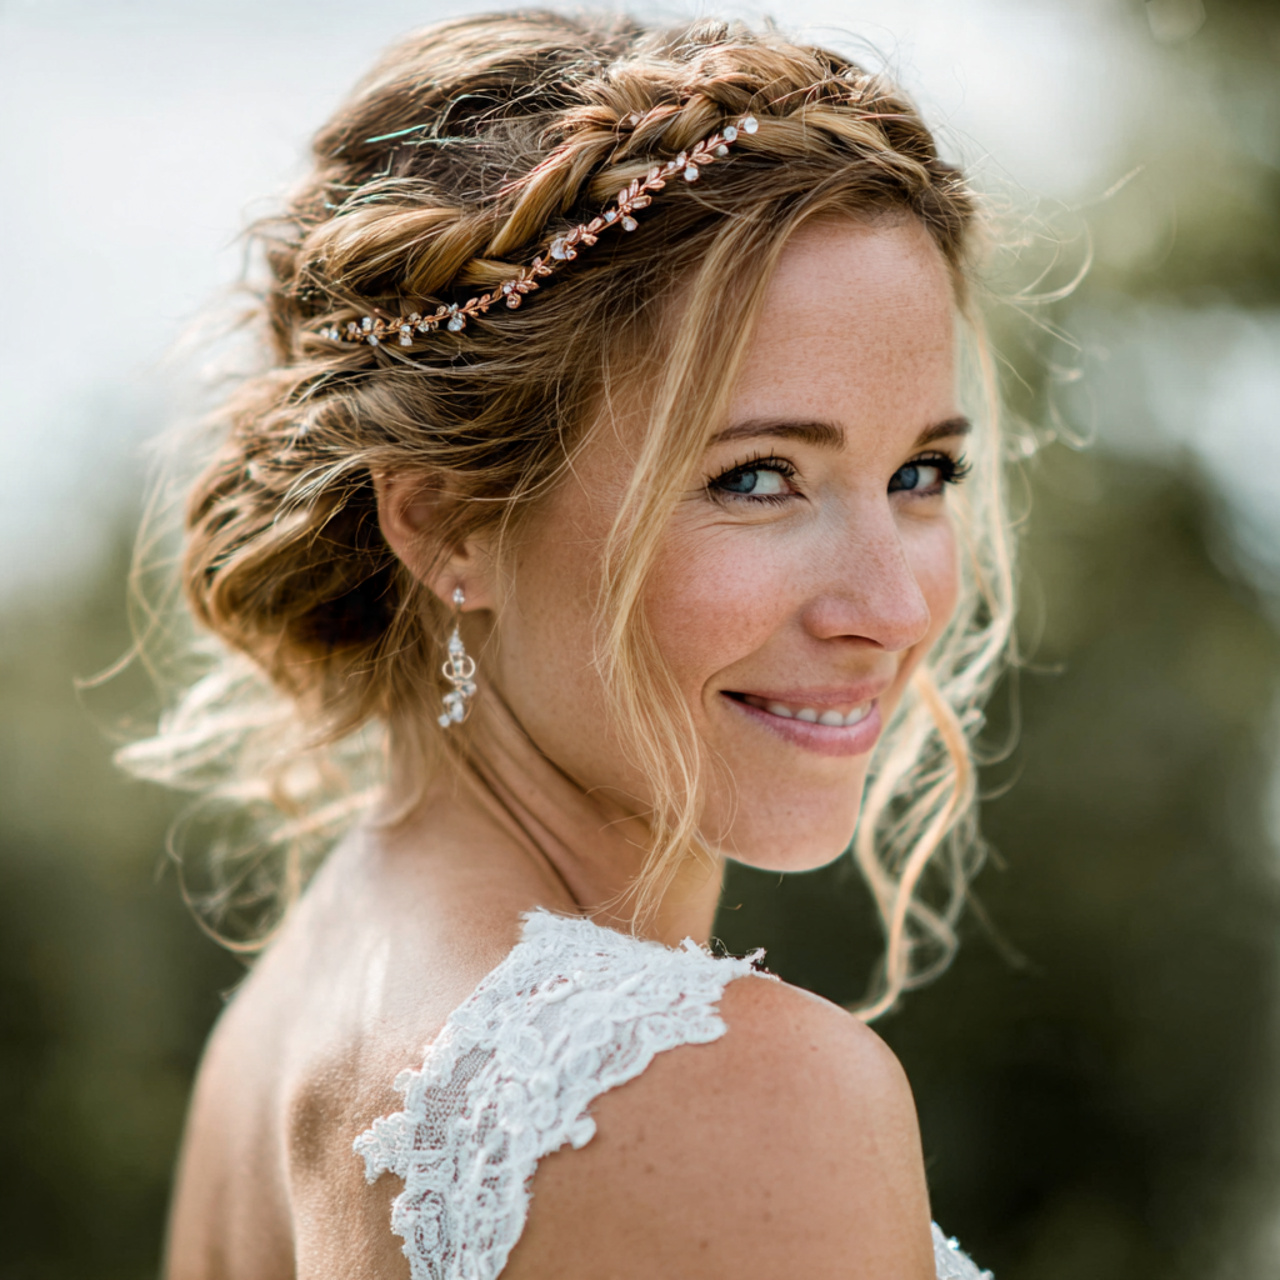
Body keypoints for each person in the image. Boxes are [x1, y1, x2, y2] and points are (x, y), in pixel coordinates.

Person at [130, 10, 1011, 1278]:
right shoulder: (736, 1099)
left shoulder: (281, 1024)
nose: (889, 601)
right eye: (757, 477)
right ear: (447, 523)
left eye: (921, 469)